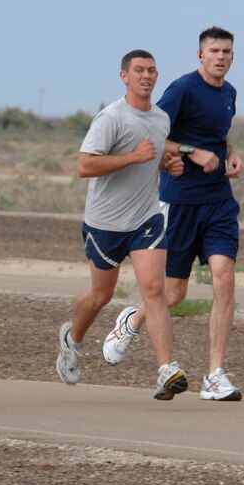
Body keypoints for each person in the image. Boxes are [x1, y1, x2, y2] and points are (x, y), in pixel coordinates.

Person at [102, 26, 244, 402]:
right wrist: (192, 151)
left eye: (227, 51)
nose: (220, 57)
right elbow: (153, 132)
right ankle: (131, 322)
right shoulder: (182, 90)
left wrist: (229, 152)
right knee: (174, 294)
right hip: (179, 203)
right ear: (200, 55)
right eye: (214, 51)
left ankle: (214, 375)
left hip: (218, 202)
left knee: (224, 275)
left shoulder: (229, 93)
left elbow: (219, 132)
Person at [55, 49, 187, 401]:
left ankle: (166, 370)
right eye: (139, 70)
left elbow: (152, 159)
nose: (146, 76)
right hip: (105, 223)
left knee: (154, 290)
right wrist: (134, 157)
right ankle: (73, 341)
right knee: (102, 294)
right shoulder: (110, 118)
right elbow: (85, 166)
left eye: (152, 71)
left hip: (146, 217)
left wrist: (167, 165)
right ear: (124, 76)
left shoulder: (161, 119)